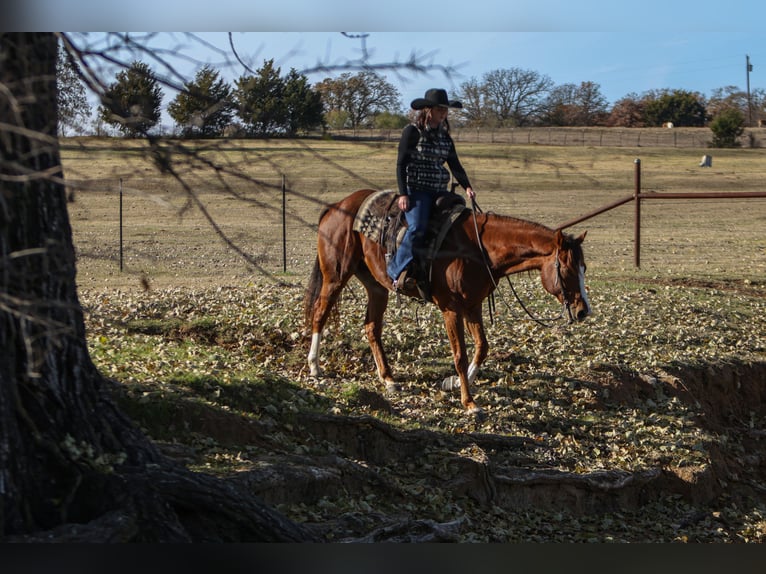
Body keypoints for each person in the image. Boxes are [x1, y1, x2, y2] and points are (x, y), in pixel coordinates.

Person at [387, 88, 476, 297]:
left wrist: (468, 186)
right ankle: (395, 270)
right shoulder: (412, 132)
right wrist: (403, 194)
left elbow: (455, 165)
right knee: (417, 226)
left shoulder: (445, 138)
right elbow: (401, 164)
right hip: (417, 190)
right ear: (428, 110)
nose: (443, 113)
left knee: (458, 218)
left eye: (445, 110)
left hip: (439, 190)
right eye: (439, 109)